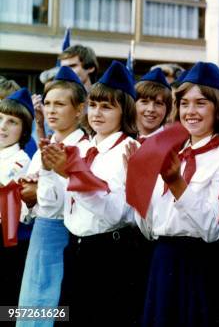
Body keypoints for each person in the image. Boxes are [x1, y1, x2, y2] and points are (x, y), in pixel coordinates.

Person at [127, 62, 219, 326]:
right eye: (185, 103)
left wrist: (177, 183)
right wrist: (137, 183)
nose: (190, 111)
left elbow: (213, 229)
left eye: (201, 103)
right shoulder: (168, 154)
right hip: (162, 259)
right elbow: (149, 229)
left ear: (218, 107)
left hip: (200, 266)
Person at [44, 61, 140, 326]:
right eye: (94, 105)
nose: (97, 113)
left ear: (125, 111)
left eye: (108, 107)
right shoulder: (85, 147)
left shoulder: (129, 150)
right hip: (76, 247)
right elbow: (58, 204)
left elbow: (115, 212)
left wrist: (72, 176)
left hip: (109, 252)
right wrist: (48, 173)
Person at [17, 67, 88, 327]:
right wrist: (27, 198)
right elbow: (31, 207)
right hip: (40, 234)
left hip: (65, 236)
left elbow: (68, 199)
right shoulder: (42, 149)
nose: (51, 110)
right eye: (47, 104)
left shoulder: (84, 148)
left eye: (60, 104)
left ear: (79, 110)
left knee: (55, 306)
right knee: (32, 303)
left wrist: (41, 190)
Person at [0, 88, 33, 305]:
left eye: (12, 122)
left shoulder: (20, 160)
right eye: (1, 118)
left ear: (23, 131)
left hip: (7, 240)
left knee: (6, 304)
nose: (3, 126)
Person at [135, 68, 173, 141]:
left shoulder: (173, 145)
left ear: (167, 109)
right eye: (144, 102)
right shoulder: (120, 140)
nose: (151, 109)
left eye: (158, 103)